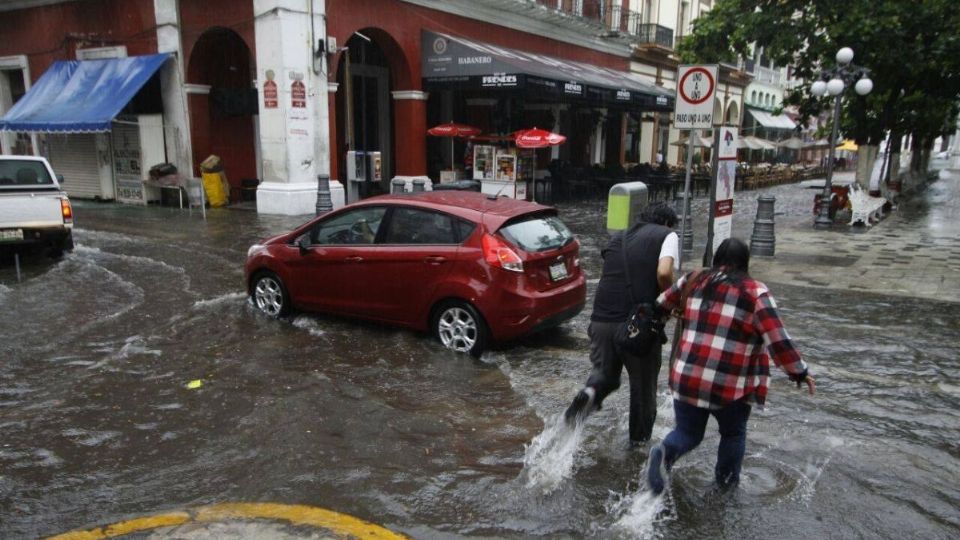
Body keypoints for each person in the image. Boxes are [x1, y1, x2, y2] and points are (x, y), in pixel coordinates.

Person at [646, 238, 816, 495]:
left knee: (688, 433)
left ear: (716, 260)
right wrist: (799, 372)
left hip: (686, 375)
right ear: (745, 263)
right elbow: (778, 341)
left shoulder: (693, 279)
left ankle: (664, 453)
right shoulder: (756, 293)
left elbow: (661, 305)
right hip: (730, 384)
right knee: (733, 434)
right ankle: (725, 487)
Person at [564, 202, 679, 446]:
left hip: (600, 321)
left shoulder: (619, 237)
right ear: (667, 223)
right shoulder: (667, 235)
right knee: (642, 391)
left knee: (606, 376)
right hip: (637, 327)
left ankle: (589, 394)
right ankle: (638, 449)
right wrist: (673, 301)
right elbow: (664, 272)